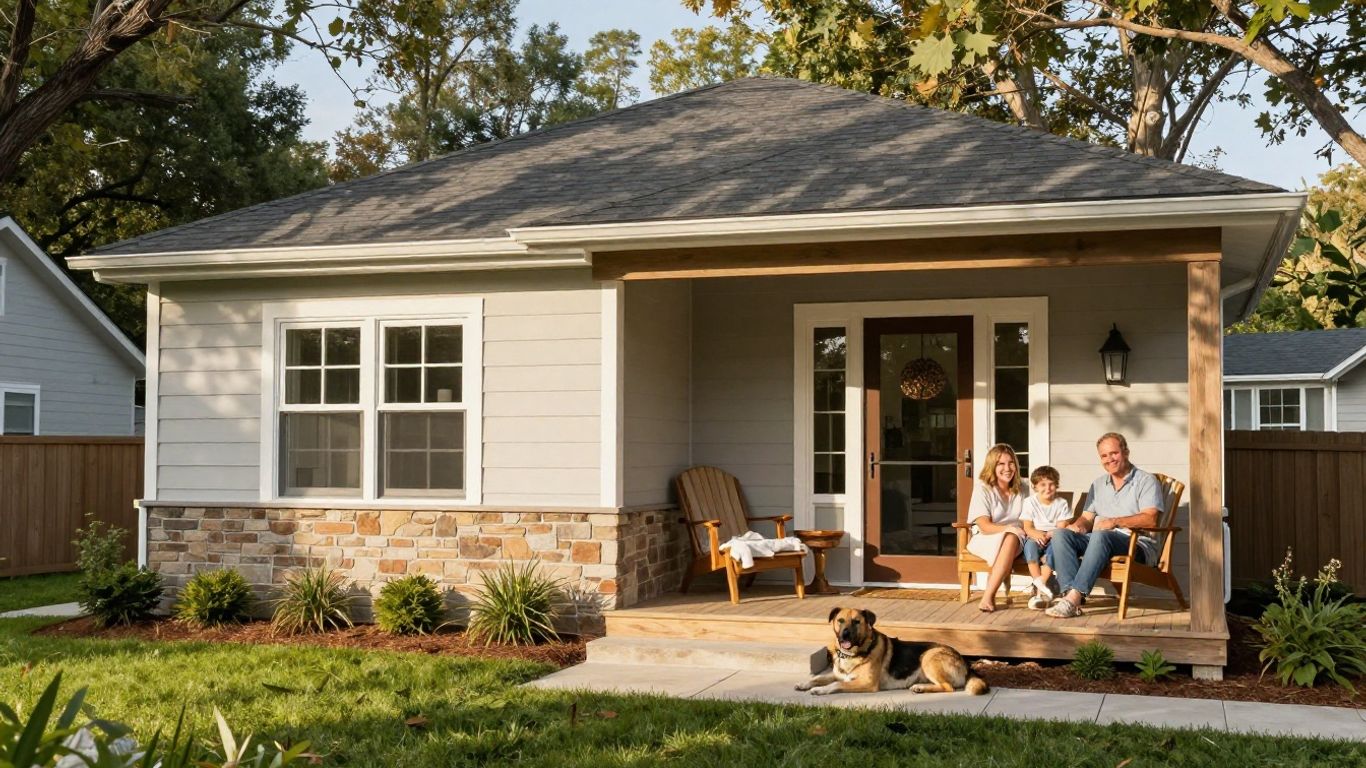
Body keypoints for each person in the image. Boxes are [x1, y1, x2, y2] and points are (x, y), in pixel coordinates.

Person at [1045, 432, 1164, 619]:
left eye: (1114, 453)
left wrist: (1114, 521)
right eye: (1104, 456)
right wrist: (1077, 526)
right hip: (1099, 539)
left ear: (1126, 452)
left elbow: (1151, 519)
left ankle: (1073, 597)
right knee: (1061, 534)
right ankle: (1069, 596)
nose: (1109, 459)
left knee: (1101, 534)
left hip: (1136, 544)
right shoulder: (1099, 484)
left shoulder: (1146, 481)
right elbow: (1086, 518)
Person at [964, 443, 1027, 613]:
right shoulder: (983, 489)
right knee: (1010, 536)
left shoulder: (1024, 488)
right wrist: (1010, 528)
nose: (1007, 468)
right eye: (1001, 464)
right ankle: (989, 596)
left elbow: (1034, 515)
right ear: (992, 466)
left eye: (1011, 463)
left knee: (1011, 538)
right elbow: (984, 526)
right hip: (986, 538)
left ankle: (988, 595)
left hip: (1017, 538)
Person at [1019, 465, 1072, 610]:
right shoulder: (1030, 502)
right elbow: (1027, 527)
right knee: (1030, 546)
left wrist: (1049, 534)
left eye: (1051, 484)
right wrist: (1037, 535)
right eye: (1042, 484)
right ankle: (1040, 584)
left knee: (1055, 550)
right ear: (1035, 486)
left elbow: (1061, 527)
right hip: (1036, 536)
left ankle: (1039, 587)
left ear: (1057, 485)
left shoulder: (1061, 503)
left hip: (1054, 536)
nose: (1047, 488)